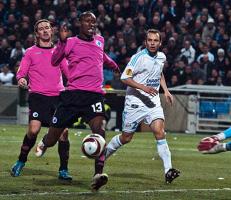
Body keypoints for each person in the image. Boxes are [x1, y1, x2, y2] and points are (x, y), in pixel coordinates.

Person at [35, 11, 119, 192]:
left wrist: (113, 65)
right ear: (79, 23)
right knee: (52, 139)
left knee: (100, 131)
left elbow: (100, 56)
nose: (91, 24)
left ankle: (98, 175)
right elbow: (54, 60)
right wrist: (62, 42)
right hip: (73, 96)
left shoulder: (100, 40)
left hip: (94, 95)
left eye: (94, 22)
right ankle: (44, 142)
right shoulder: (70, 42)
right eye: (87, 21)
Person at [104, 29, 180, 184]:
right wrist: (143, 87)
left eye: (155, 41)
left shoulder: (161, 57)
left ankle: (168, 170)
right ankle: (102, 156)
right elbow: (125, 77)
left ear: (160, 43)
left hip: (153, 102)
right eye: (150, 40)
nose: (152, 43)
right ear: (145, 42)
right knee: (126, 138)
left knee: (159, 131)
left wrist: (165, 90)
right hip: (135, 103)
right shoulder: (138, 58)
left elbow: (159, 73)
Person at [10, 19, 72, 180]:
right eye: (41, 29)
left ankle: (63, 170)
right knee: (33, 130)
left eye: (47, 28)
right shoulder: (30, 52)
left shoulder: (59, 51)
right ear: (36, 34)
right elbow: (21, 72)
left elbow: (69, 73)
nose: (45, 31)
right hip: (38, 96)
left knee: (63, 133)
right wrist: (21, 79)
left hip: (58, 97)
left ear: (52, 31)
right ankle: (20, 161)